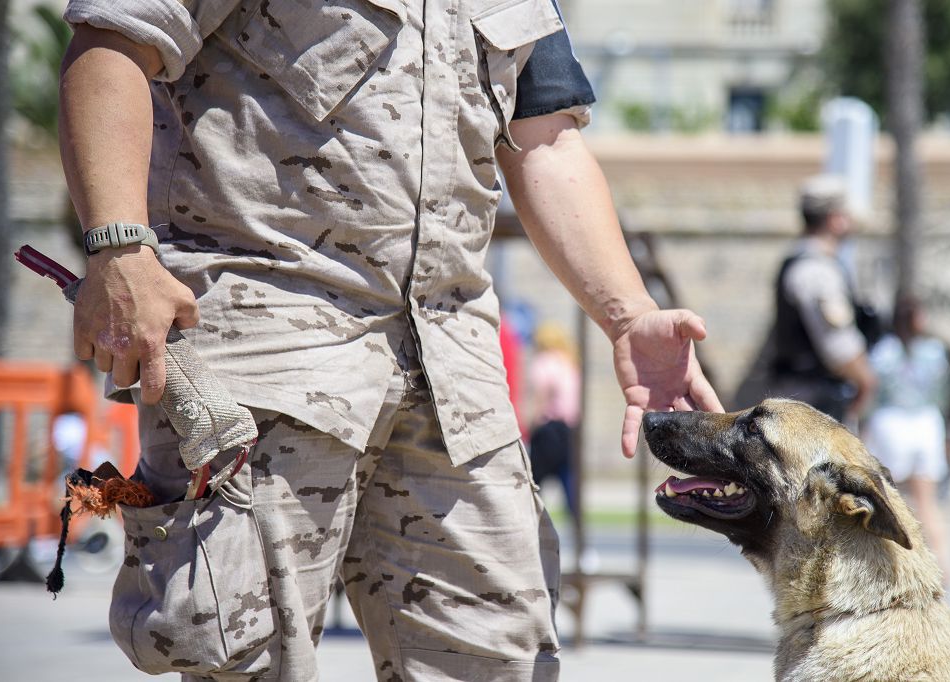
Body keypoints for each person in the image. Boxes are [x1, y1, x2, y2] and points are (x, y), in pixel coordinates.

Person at [57, 1, 722, 680]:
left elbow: (545, 138)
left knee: (500, 659)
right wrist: (119, 248)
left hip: (452, 374)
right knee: (246, 660)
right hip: (272, 346)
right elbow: (115, 41)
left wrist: (628, 312)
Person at [770, 174, 877, 426]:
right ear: (835, 219)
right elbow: (838, 346)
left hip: (807, 398)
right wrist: (866, 382)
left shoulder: (805, 263)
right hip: (815, 403)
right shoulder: (816, 271)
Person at [863, 296, 950, 582]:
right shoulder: (935, 351)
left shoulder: (883, 351)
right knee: (928, 501)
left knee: (891, 500)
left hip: (891, 423)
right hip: (926, 422)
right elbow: (943, 393)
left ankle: (900, 565)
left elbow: (873, 394)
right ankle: (941, 564)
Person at [527, 322, 581, 519]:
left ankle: (533, 522)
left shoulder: (544, 361)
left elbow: (541, 397)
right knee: (568, 481)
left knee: (533, 483)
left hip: (549, 427)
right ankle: (579, 535)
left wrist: (532, 424)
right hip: (569, 429)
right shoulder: (569, 361)